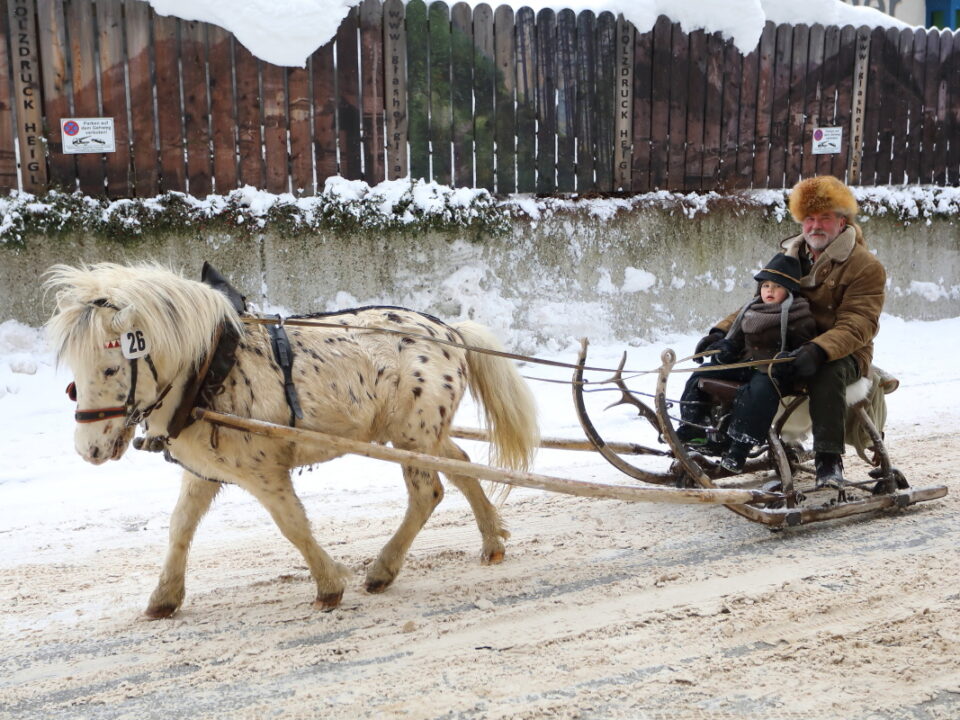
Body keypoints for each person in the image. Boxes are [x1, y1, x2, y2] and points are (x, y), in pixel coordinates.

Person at [693, 175, 886, 486]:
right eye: (809, 219)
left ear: (842, 221)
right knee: (730, 363)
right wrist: (722, 332)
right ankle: (713, 437)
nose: (815, 226)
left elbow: (860, 323)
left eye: (825, 217)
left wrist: (819, 348)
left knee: (828, 371)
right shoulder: (791, 256)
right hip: (785, 342)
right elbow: (760, 302)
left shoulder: (864, 266)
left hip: (842, 351)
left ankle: (828, 459)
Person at [677, 251, 816, 473]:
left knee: (758, 393)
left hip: (773, 372)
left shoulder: (799, 316)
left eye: (776, 286)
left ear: (788, 290)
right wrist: (725, 347)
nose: (769, 291)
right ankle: (694, 427)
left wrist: (790, 360)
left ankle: (739, 449)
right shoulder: (751, 310)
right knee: (702, 374)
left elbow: (804, 348)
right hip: (745, 364)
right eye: (765, 286)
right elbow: (738, 338)